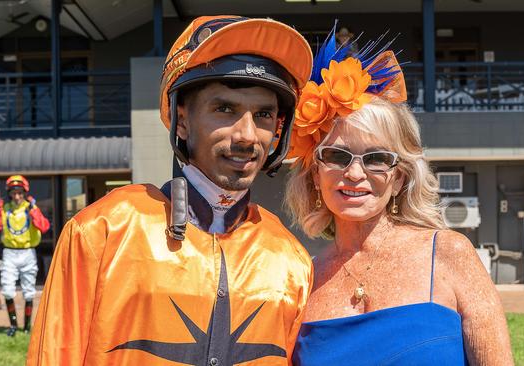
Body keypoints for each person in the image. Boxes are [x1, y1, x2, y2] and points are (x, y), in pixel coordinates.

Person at [27, 16, 314, 365]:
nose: (247, 135)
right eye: (225, 109)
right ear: (182, 118)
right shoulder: (103, 230)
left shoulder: (292, 259)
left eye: (264, 115)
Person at [285, 28, 513, 365]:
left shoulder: (448, 254)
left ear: (399, 178)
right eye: (337, 156)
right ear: (314, 174)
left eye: (376, 159)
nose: (355, 174)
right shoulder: (302, 278)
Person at [0, 175, 50, 337]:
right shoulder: (4, 209)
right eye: (14, 193)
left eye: (20, 193)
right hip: (9, 253)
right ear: (9, 194)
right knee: (7, 290)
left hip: (28, 252)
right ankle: (13, 326)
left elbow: (44, 227)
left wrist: (34, 210)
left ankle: (27, 327)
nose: (17, 197)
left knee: (29, 291)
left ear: (25, 193)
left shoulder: (32, 208)